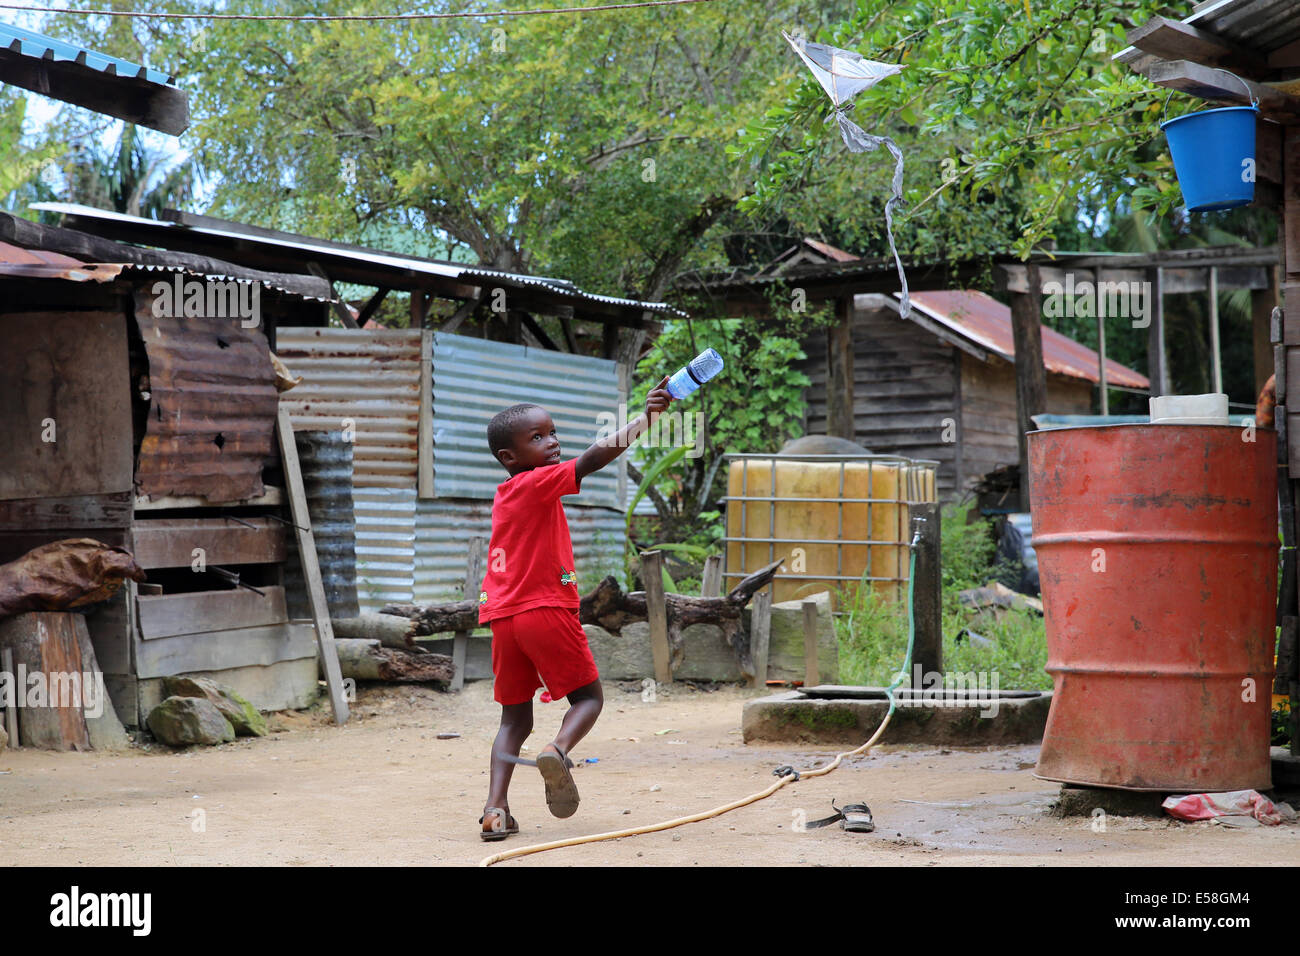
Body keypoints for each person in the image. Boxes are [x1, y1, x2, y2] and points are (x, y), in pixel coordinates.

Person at [476, 377, 674, 840]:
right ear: (510, 457)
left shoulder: (506, 493)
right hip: (543, 611)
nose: (552, 442)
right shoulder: (538, 482)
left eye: (553, 432)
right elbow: (592, 457)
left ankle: (494, 809)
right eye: (538, 438)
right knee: (588, 698)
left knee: (513, 718)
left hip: (501, 618)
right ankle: (558, 750)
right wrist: (646, 419)